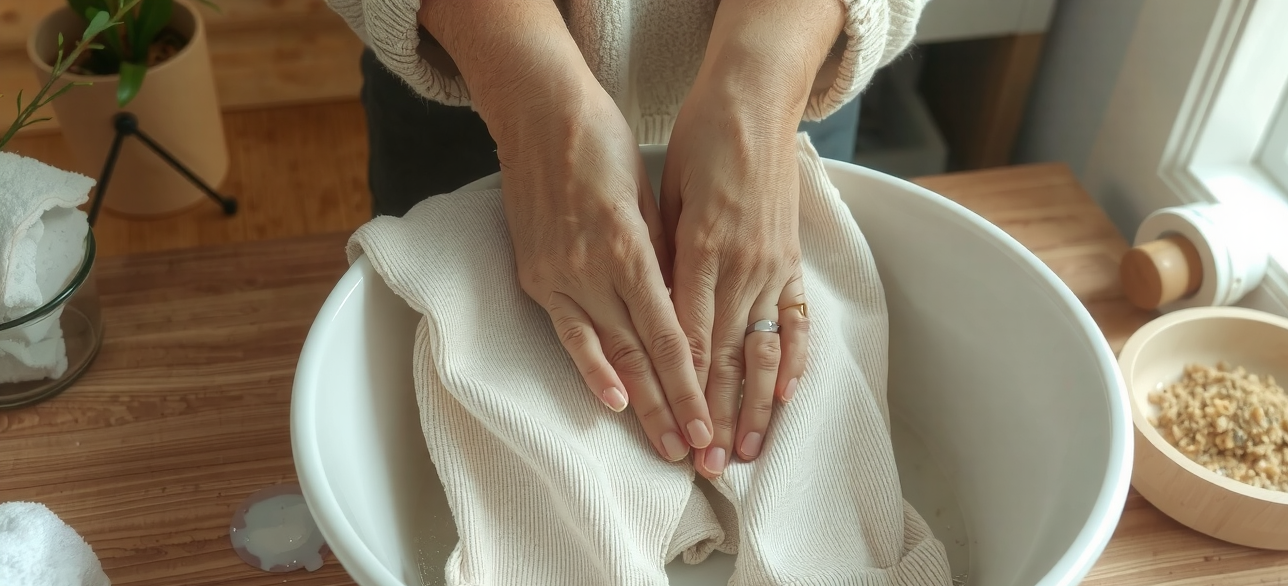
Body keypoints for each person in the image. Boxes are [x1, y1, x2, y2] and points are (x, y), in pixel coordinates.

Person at [328, 0, 925, 480]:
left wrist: (763, 87)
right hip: (471, 72)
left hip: (794, 69)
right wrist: (529, 94)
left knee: (776, 387)